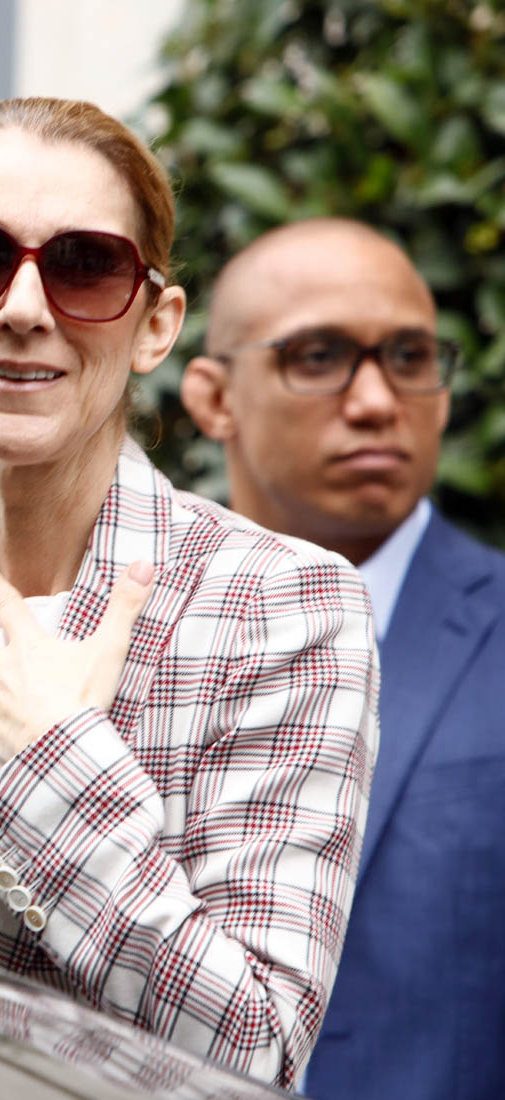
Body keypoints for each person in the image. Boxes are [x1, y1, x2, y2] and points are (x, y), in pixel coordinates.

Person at [0, 101, 378, 1090]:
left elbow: (256, 1048)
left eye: (84, 267)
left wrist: (50, 757)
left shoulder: (282, 605)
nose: (24, 306)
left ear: (155, 326)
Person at [181, 216, 505, 1100]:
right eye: (318, 356)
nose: (374, 401)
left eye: (409, 357)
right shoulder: (124, 644)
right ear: (213, 398)